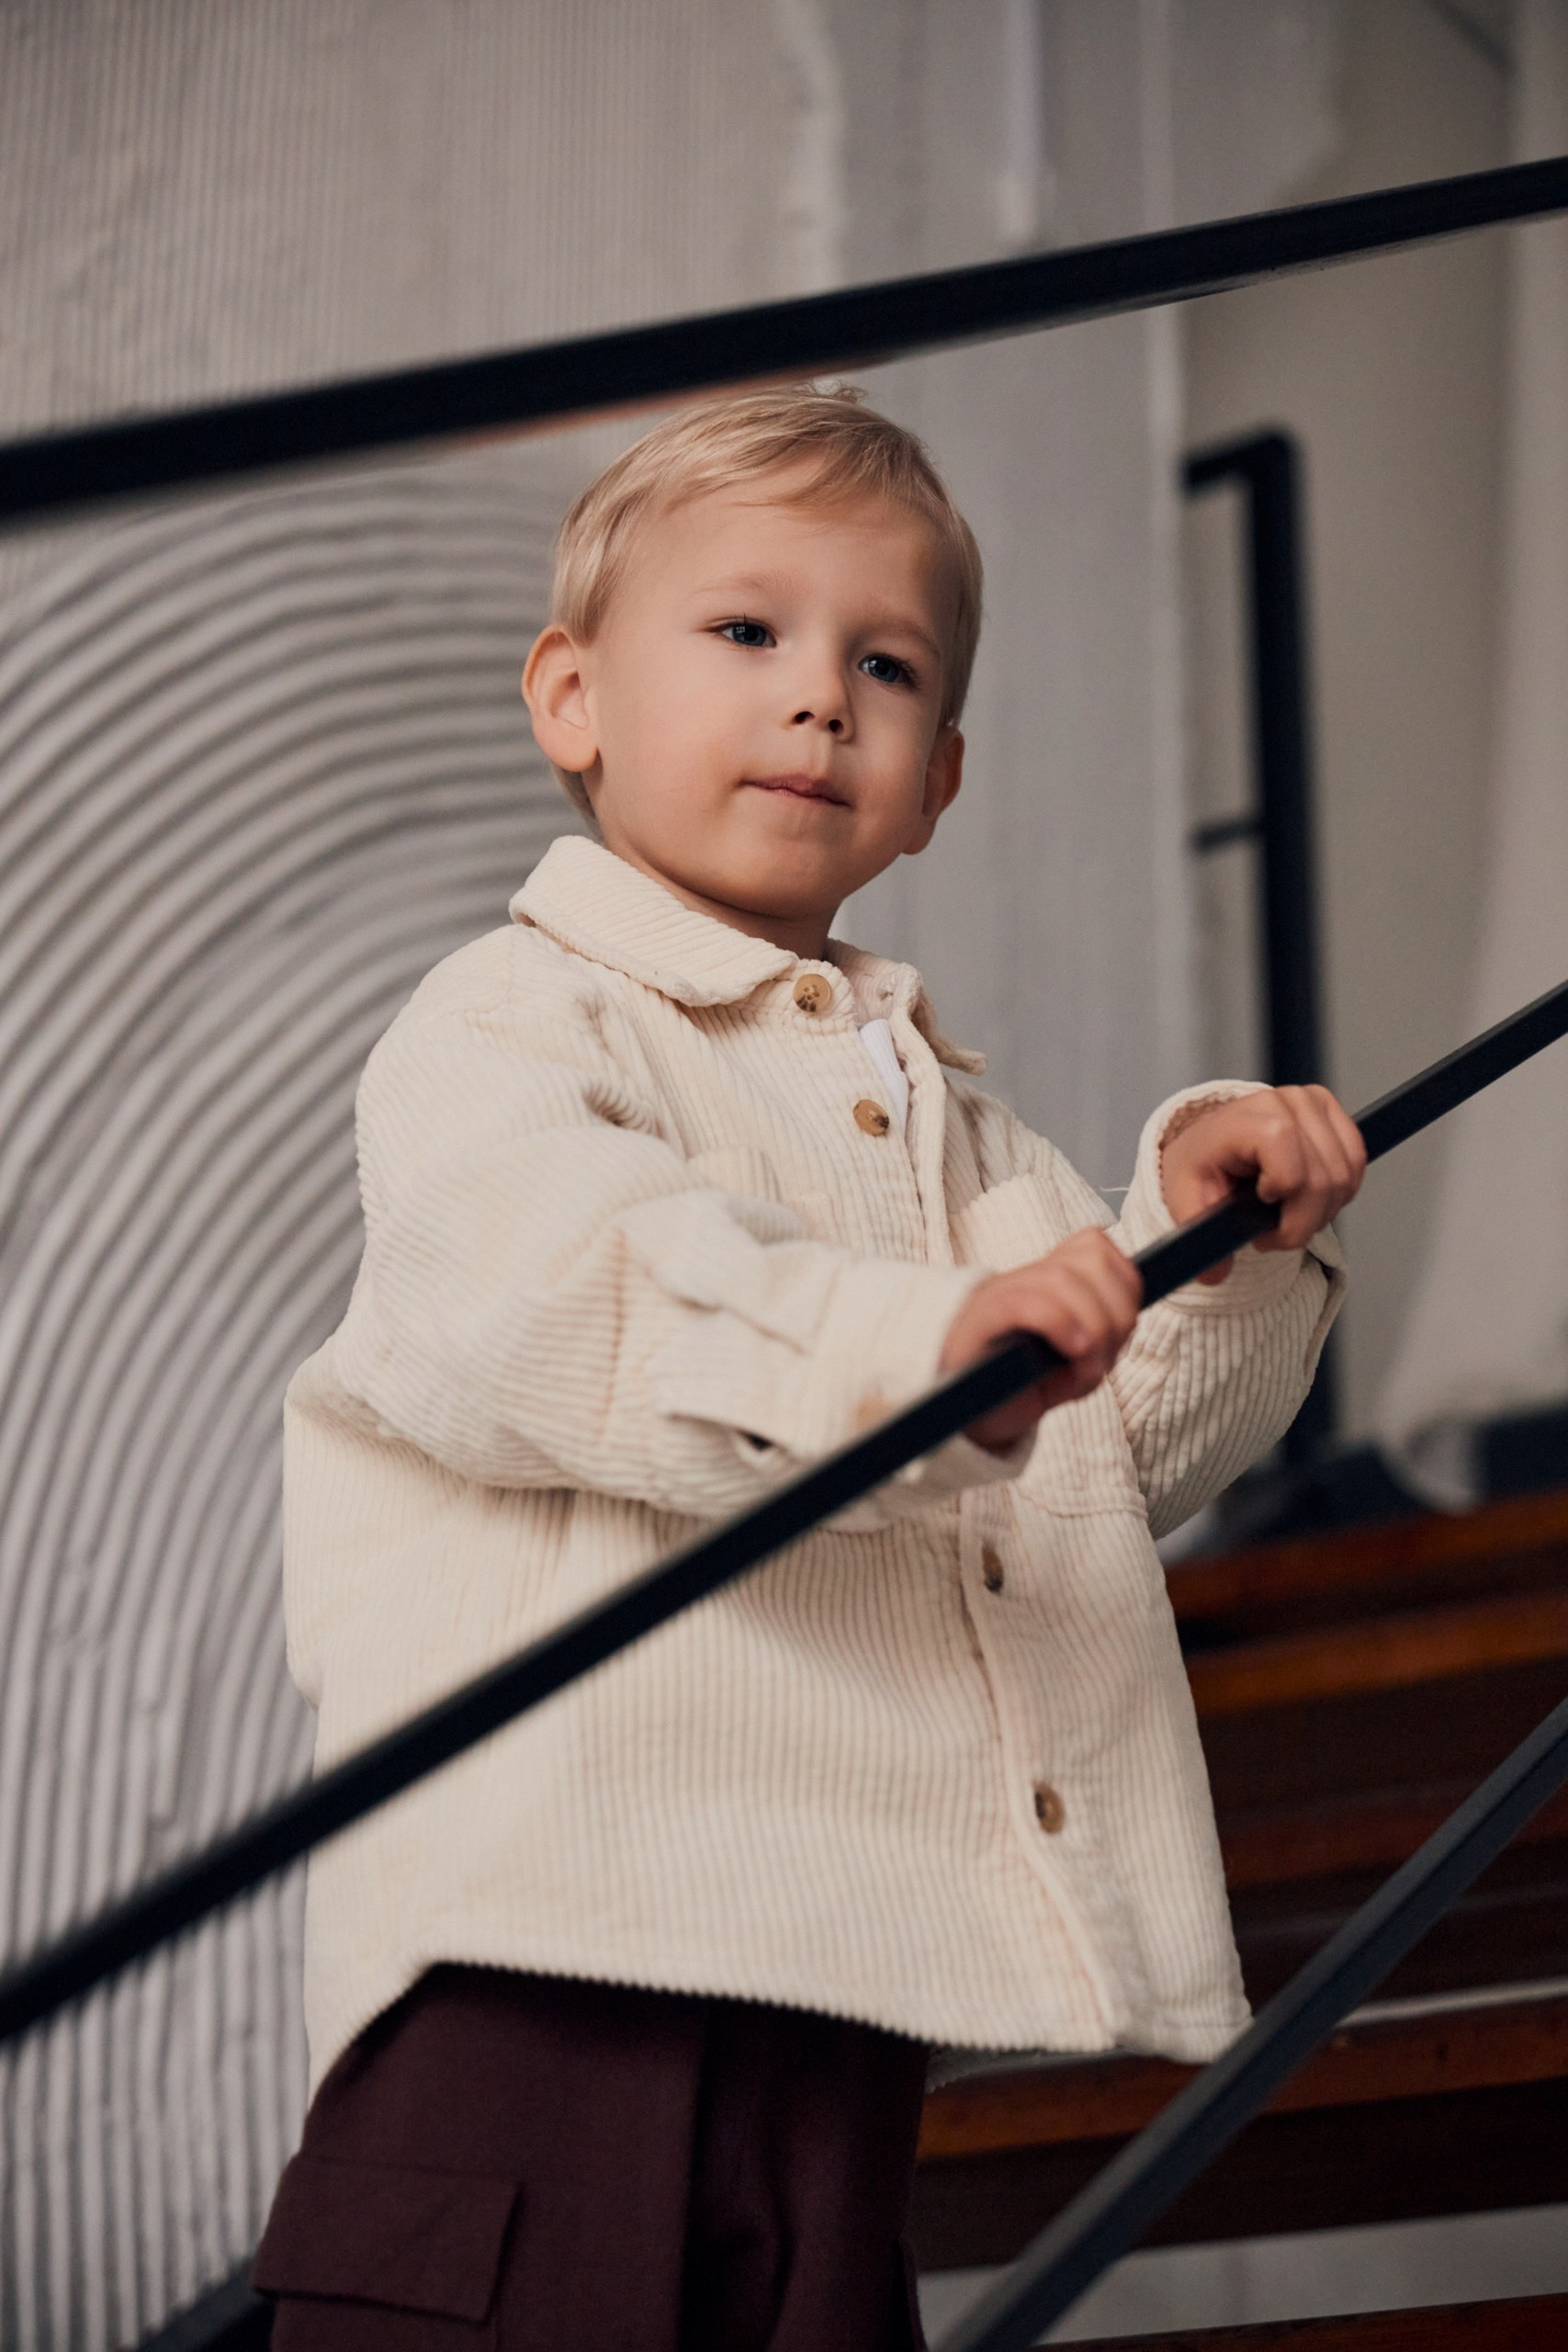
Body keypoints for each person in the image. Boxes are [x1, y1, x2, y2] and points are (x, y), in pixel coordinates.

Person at [254, 386, 1363, 2349]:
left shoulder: (961, 1137)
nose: (818, 697)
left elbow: (1103, 1459)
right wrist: (917, 1348)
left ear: (938, 781)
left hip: (851, 1966)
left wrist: (1212, 1257)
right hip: (554, 1944)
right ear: (573, 698)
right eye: (747, 629)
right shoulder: (513, 1021)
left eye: (886, 664)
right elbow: (576, 1290)